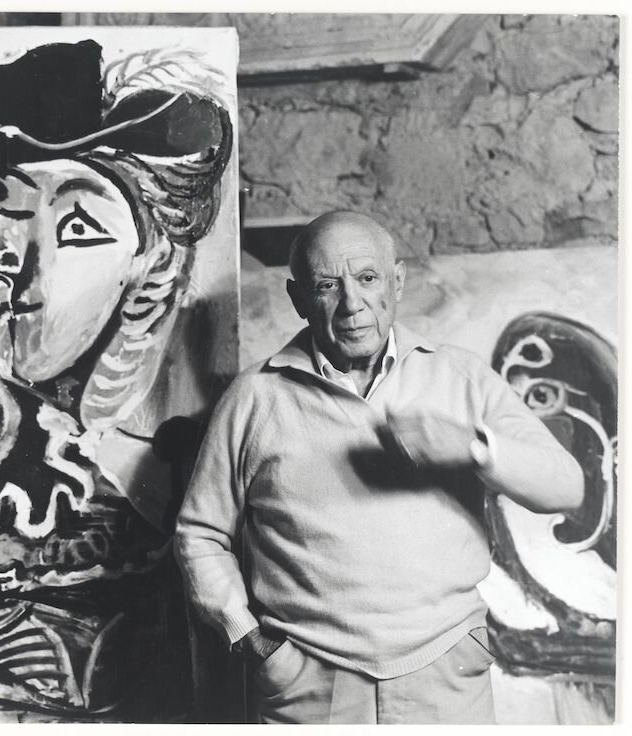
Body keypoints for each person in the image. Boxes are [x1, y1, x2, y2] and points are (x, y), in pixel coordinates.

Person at [174, 210, 584, 724]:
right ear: (299, 299)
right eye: (328, 285)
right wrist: (249, 637)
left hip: (445, 672)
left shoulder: (459, 377)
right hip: (307, 683)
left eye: (367, 278)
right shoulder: (255, 397)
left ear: (397, 280)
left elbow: (567, 487)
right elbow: (200, 534)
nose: (352, 304)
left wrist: (475, 447)